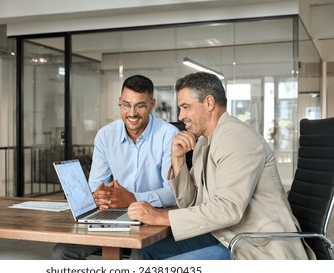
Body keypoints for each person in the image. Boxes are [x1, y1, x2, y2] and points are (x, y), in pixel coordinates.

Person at [128, 72, 314, 260]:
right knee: (146, 251)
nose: (181, 116)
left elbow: (228, 209)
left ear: (209, 103)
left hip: (254, 245)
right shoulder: (204, 142)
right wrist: (177, 160)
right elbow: (190, 203)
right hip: (224, 234)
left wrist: (161, 217)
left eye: (185, 107)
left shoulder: (236, 137)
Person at [52, 74, 179, 260]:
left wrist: (133, 199)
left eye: (140, 106)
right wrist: (100, 195)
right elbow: (96, 184)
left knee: (139, 255)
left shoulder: (168, 135)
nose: (132, 113)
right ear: (120, 102)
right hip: (114, 214)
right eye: (126, 105)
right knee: (62, 251)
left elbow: (173, 193)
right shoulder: (106, 135)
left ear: (152, 104)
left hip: (155, 216)